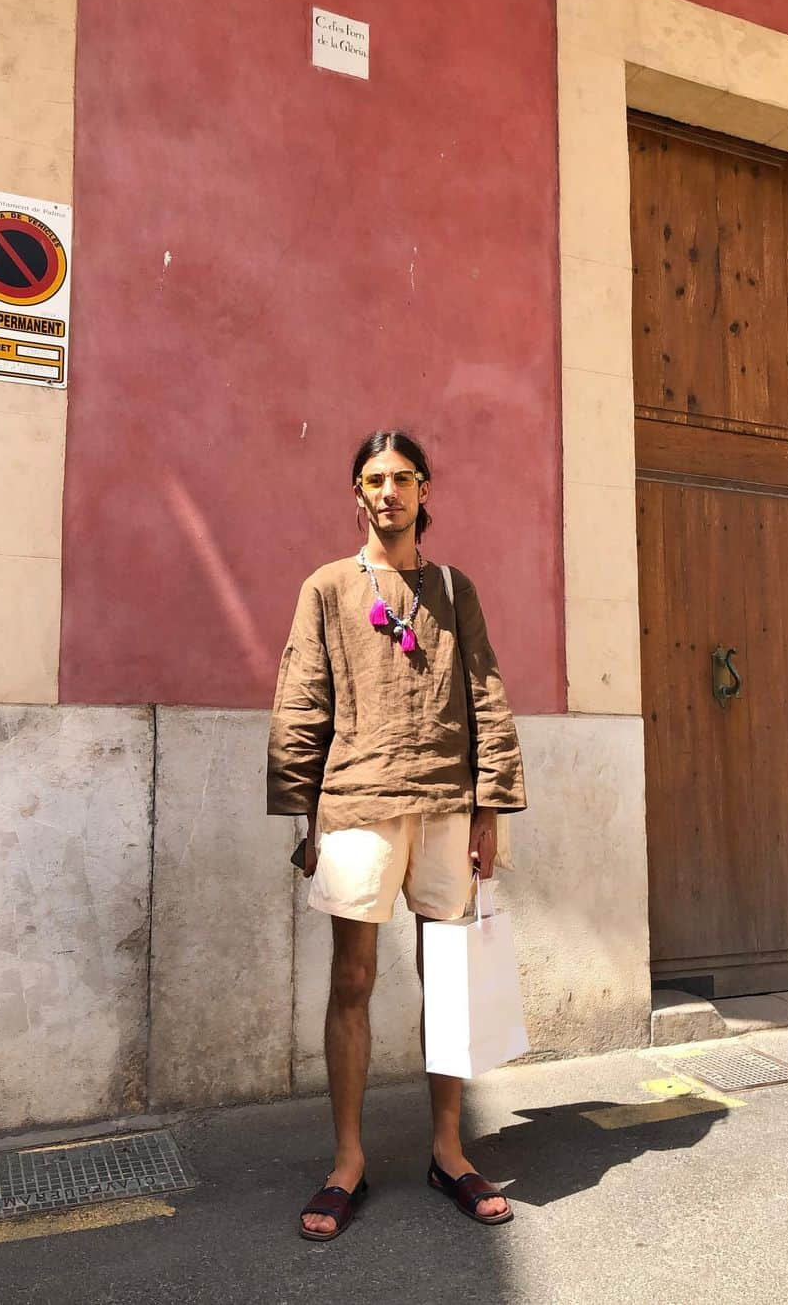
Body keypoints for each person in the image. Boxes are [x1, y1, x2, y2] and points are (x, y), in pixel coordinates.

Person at [267, 428, 527, 1242]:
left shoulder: (454, 589)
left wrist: (491, 806)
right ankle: (348, 1160)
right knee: (354, 977)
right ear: (357, 493)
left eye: (404, 479)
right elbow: (303, 699)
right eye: (375, 479)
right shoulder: (327, 587)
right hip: (357, 804)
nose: (389, 492)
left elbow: (485, 693)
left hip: (449, 803)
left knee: (449, 979)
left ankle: (449, 1150)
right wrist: (307, 815)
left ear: (424, 492)